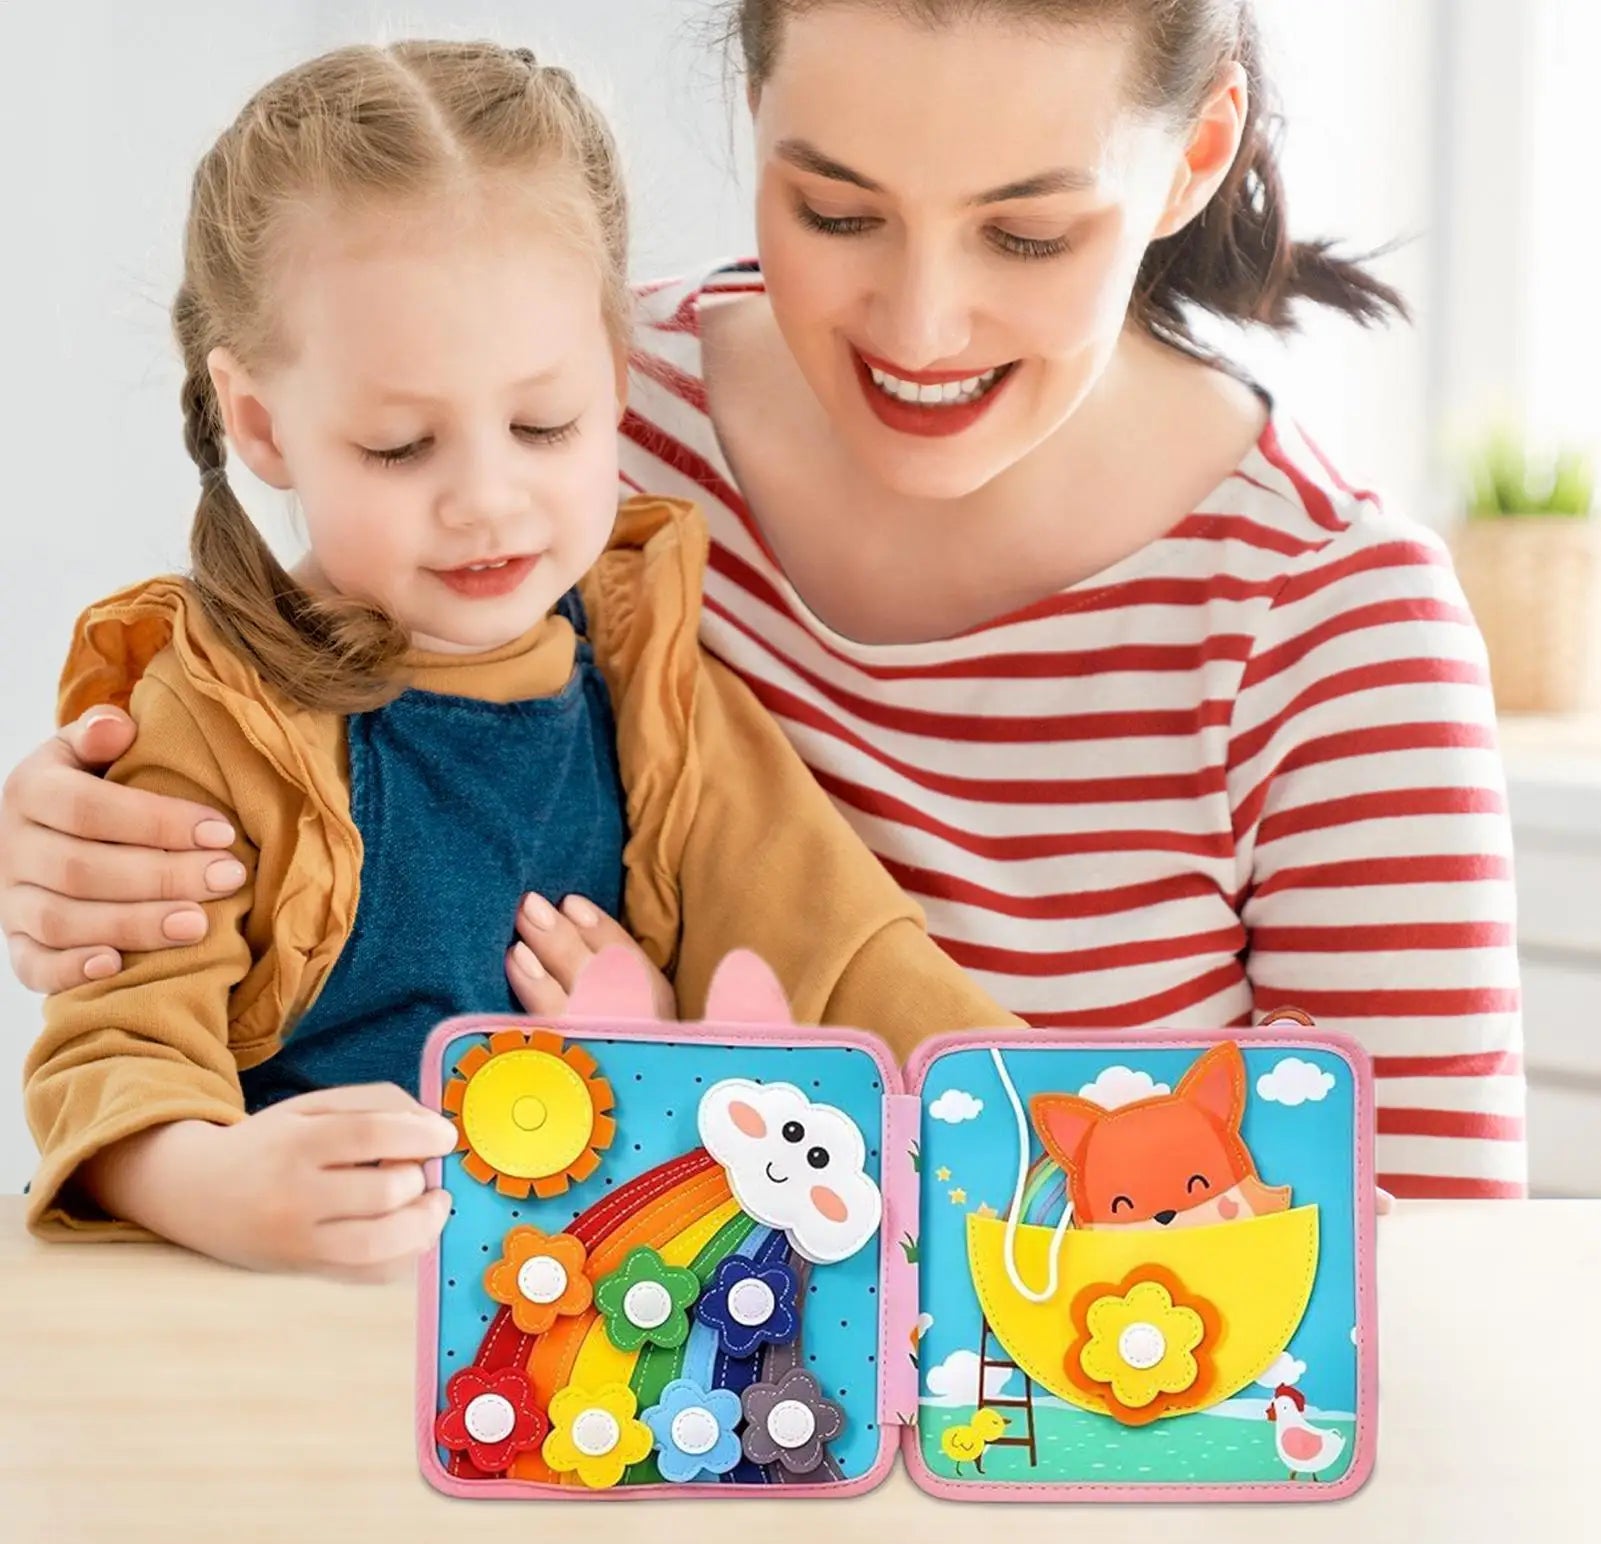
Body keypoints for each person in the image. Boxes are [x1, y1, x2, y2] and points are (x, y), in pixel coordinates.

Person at [0, 1, 1524, 1200]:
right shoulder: (577, 426)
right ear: (756, 118)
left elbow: (1416, 1311)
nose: (921, 328)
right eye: (838, 211)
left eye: (1026, 232)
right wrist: (85, 837)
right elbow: (273, 733)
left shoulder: (1330, 630)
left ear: (1192, 156)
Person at [15, 38, 1017, 1273]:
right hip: (302, 1357)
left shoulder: (653, 685)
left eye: (544, 425)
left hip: (595, 1357)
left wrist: (1040, 1128)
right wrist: (209, 1179)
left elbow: (844, 948)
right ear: (263, 423)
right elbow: (115, 1049)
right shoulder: (216, 712)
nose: (487, 500)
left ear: (614, 377)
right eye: (399, 445)